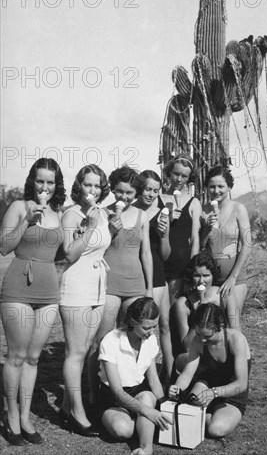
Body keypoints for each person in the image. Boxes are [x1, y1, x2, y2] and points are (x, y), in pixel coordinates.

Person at [0, 158, 65, 445]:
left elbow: (67, 252)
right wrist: (27, 219)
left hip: (49, 289)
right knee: (15, 356)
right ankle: (11, 416)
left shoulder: (60, 212)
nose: (45, 187)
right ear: (32, 180)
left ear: (57, 184)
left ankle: (25, 417)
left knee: (33, 357)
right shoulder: (18, 206)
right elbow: (4, 247)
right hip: (18, 287)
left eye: (50, 182)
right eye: (40, 181)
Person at [88, 166, 153, 405]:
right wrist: (110, 230)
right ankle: (95, 394)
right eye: (119, 191)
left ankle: (129, 390)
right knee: (102, 340)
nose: (123, 197)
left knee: (133, 339)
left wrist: (147, 288)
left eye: (128, 193)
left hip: (135, 284)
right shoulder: (102, 213)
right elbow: (94, 247)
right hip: (109, 284)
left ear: (135, 192)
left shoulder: (141, 215)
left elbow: (146, 254)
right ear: (112, 190)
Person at [59, 164, 111, 436]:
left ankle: (68, 406)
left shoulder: (100, 213)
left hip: (98, 286)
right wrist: (89, 227)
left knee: (84, 348)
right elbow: (68, 255)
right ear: (78, 186)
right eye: (87, 184)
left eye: (97, 185)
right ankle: (78, 415)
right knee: (76, 353)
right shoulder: (71, 215)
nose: (92, 190)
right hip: (77, 286)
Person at [98, 297, 172, 455]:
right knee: (123, 431)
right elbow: (117, 392)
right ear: (132, 322)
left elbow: (153, 380)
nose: (152, 332)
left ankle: (146, 448)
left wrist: (165, 404)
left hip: (139, 392)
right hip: (114, 397)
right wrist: (148, 411)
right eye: (146, 328)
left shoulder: (150, 340)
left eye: (154, 326)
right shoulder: (110, 341)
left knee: (146, 397)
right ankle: (141, 423)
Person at [169, 303, 251, 439]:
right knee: (187, 411)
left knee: (216, 430)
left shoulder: (236, 339)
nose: (202, 339)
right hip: (207, 384)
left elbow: (241, 384)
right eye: (198, 334)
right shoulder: (198, 341)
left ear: (221, 327)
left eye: (208, 336)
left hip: (231, 393)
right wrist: (177, 388)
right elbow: (187, 374)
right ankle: (207, 413)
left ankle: (208, 415)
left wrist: (214, 393)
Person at [133, 170, 174, 381]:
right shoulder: (131, 210)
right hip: (134, 270)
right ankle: (139, 375)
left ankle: (168, 375)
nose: (150, 194)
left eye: (155, 190)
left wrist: (164, 235)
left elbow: (166, 255)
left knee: (163, 326)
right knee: (139, 326)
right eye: (147, 189)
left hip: (157, 273)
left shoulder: (163, 212)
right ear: (140, 188)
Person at [172, 250, 240, 373]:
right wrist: (200, 312)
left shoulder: (225, 295)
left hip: (221, 350)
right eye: (197, 276)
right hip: (199, 353)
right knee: (181, 360)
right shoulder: (183, 304)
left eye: (206, 276)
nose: (201, 281)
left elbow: (237, 330)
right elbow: (186, 346)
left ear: (213, 276)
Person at [201, 165, 252, 319]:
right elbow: (199, 247)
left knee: (233, 324)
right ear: (206, 188)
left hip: (234, 279)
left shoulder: (238, 209)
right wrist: (206, 228)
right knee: (210, 324)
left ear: (229, 187)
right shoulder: (203, 211)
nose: (216, 191)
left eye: (221, 186)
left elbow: (247, 244)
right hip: (210, 278)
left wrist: (233, 277)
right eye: (212, 187)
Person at [160, 153, 202, 304]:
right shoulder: (158, 199)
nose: (178, 179)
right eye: (176, 174)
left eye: (184, 176)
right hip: (159, 262)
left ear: (189, 178)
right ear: (169, 172)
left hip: (181, 265)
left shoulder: (194, 202)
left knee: (174, 312)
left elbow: (195, 238)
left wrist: (192, 269)